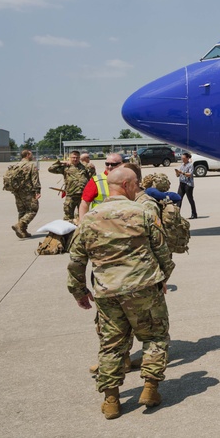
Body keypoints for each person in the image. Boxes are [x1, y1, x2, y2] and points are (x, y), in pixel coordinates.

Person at [67, 167, 175, 420]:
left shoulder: (90, 218)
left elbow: (75, 261)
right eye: (136, 184)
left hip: (108, 293)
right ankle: (150, 388)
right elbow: (162, 251)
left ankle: (112, 400)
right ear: (126, 185)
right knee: (155, 337)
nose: (137, 188)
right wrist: (163, 278)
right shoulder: (144, 212)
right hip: (144, 288)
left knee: (111, 345)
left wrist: (79, 291)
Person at [6, 149, 41, 239]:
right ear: (27, 155)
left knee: (22, 211)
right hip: (28, 191)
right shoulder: (31, 165)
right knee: (33, 209)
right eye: (31, 154)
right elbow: (35, 179)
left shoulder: (16, 165)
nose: (32, 156)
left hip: (17, 191)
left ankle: (23, 231)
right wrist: (38, 191)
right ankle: (20, 225)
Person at [78, 153, 123, 219]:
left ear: (121, 164)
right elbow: (84, 204)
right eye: (107, 164)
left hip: (122, 221)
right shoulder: (96, 180)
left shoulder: (128, 178)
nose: (110, 167)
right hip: (100, 222)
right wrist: (82, 224)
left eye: (113, 164)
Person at [48, 150, 89, 222]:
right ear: (70, 158)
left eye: (77, 157)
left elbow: (90, 178)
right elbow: (51, 169)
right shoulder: (66, 167)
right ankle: (68, 232)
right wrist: (60, 163)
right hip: (71, 195)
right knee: (68, 217)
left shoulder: (84, 167)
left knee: (82, 216)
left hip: (82, 196)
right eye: (73, 157)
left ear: (79, 158)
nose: (75, 159)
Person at [175, 153, 197, 219]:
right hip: (182, 183)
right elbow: (178, 175)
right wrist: (177, 173)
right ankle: (177, 214)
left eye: (184, 158)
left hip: (188, 184)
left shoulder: (190, 165)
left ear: (187, 158)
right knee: (179, 198)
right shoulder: (182, 165)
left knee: (190, 199)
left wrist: (182, 173)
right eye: (182, 158)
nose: (183, 160)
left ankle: (194, 213)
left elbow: (190, 174)